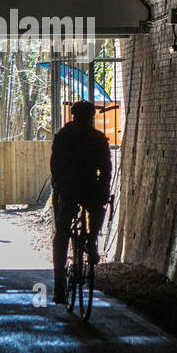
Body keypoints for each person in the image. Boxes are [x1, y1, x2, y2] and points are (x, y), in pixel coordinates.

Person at [49, 100, 112, 304]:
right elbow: (106, 169)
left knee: (62, 233)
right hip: (76, 186)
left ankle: (60, 285)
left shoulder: (64, 137)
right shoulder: (95, 138)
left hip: (75, 186)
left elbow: (55, 166)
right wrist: (102, 187)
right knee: (69, 227)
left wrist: (61, 187)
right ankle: (90, 243)